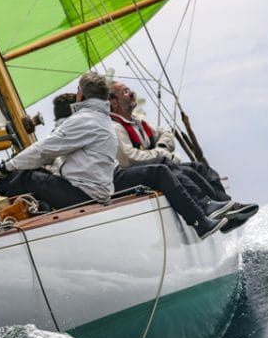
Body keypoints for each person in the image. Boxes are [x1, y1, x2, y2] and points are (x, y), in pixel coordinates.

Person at [109, 81, 258, 229]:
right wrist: (161, 153)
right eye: (125, 92)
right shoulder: (115, 127)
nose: (132, 94)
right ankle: (208, 208)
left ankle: (227, 209)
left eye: (129, 90)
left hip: (155, 163)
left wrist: (161, 147)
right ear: (114, 102)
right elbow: (129, 159)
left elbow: (166, 134)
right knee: (185, 171)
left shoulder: (137, 122)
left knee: (200, 168)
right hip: (137, 173)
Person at [0, 71, 116, 209]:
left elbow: (44, 150)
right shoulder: (103, 119)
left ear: (80, 94)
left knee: (24, 177)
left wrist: (5, 168)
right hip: (98, 194)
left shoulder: (84, 119)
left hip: (84, 195)